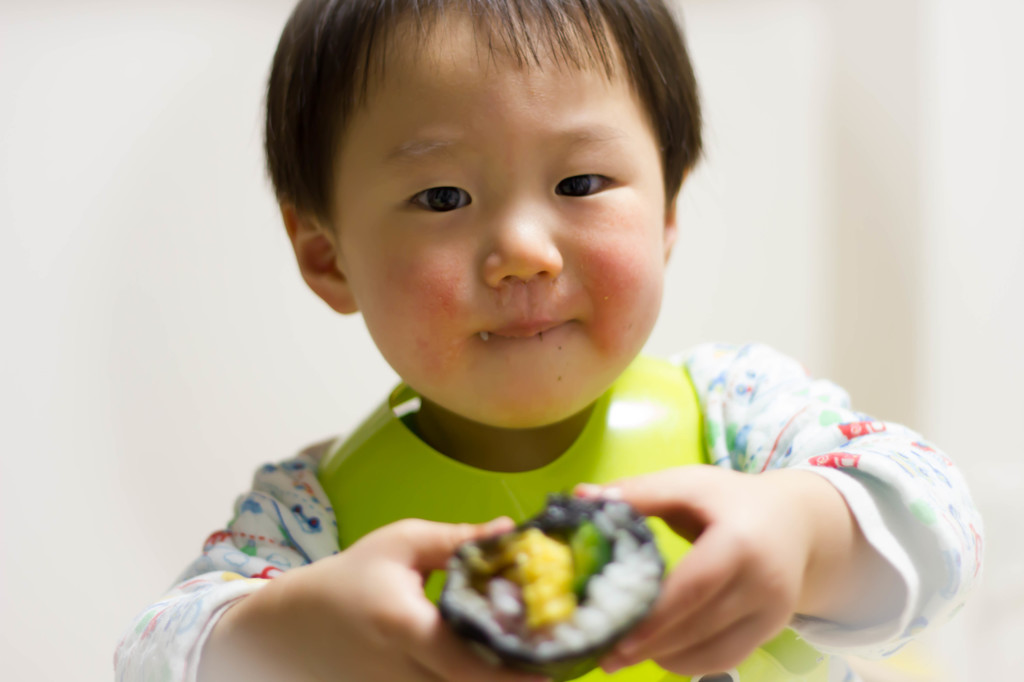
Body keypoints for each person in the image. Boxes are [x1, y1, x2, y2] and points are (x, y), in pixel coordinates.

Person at [114, 1, 983, 680]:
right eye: (443, 198)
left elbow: (939, 521)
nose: (524, 252)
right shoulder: (312, 521)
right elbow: (152, 654)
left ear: (669, 211)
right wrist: (290, 631)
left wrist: (804, 534)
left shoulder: (744, 421)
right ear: (325, 254)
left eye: (580, 181)